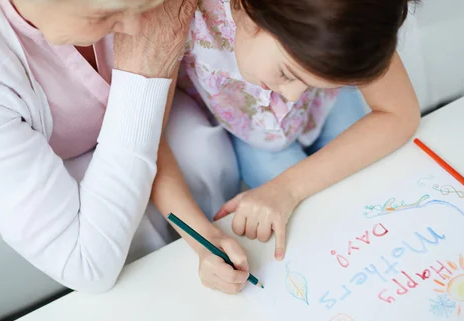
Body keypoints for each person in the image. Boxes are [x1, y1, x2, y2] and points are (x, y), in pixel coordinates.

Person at [0, 0, 240, 294]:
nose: (139, 28)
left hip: (113, 96)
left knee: (203, 148)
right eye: (103, 16)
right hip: (15, 140)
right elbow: (86, 266)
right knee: (131, 232)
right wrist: (143, 74)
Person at [158, 0, 421, 293]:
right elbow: (148, 142)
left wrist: (288, 188)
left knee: (371, 194)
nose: (293, 97)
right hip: (255, 135)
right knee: (316, 235)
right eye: (287, 73)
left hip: (327, 107)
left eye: (311, 82)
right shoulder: (175, 17)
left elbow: (400, 114)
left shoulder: (347, 14)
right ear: (252, 10)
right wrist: (204, 241)